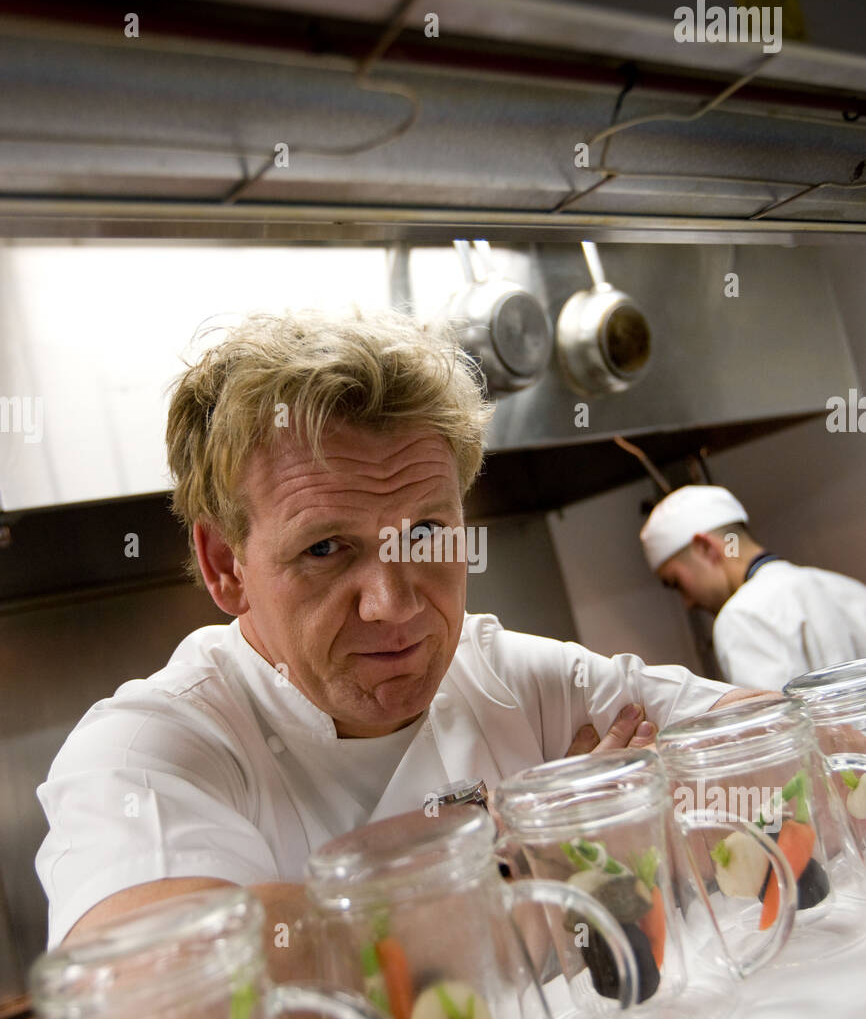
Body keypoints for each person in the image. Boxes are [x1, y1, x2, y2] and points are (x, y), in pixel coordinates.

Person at [36, 312, 758, 969]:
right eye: (325, 549)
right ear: (227, 567)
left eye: (426, 533)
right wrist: (534, 858)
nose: (396, 603)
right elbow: (155, 998)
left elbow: (797, 744)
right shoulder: (149, 750)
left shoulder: (519, 682)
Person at [640, 483, 866, 690]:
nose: (688, 603)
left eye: (676, 583)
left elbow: (775, 729)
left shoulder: (741, 616)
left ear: (705, 548)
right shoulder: (844, 586)